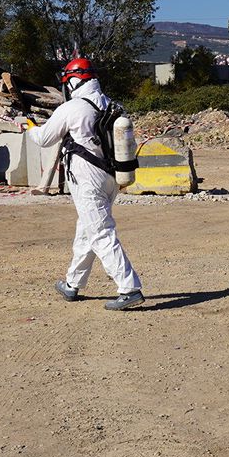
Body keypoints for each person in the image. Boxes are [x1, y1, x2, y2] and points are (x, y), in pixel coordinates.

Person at [23, 57, 144, 311]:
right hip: (112, 177)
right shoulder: (112, 104)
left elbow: (44, 139)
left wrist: (30, 127)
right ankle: (72, 283)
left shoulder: (73, 108)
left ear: (73, 81)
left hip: (88, 179)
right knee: (87, 230)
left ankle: (129, 287)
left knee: (101, 232)